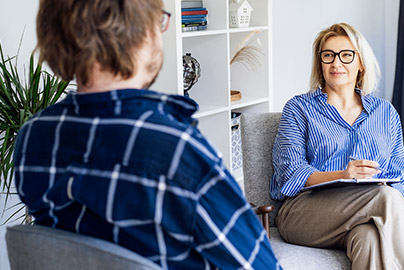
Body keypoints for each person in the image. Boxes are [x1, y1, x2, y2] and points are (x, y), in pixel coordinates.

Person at [13, 1, 281, 269]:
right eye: (159, 20)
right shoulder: (175, 149)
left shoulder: (33, 138)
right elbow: (260, 265)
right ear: (140, 33)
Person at [271, 23, 404, 269]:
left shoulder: (385, 112)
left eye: (346, 55)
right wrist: (343, 175)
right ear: (320, 63)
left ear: (361, 63)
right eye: (328, 55)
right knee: (385, 197)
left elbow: (398, 176)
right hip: (304, 213)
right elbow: (290, 175)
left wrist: (378, 187)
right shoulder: (298, 109)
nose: (336, 63)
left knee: (369, 238)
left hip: (365, 213)